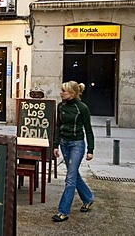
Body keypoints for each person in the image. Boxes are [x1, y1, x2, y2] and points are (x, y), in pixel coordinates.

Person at [52, 81, 95, 222]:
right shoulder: (60, 106)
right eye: (61, 90)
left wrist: (90, 150)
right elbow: (58, 126)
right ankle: (88, 198)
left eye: (64, 91)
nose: (61, 93)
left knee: (70, 178)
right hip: (64, 144)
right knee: (74, 174)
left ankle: (63, 211)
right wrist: (56, 145)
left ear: (73, 93)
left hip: (77, 144)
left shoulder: (82, 108)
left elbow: (88, 130)